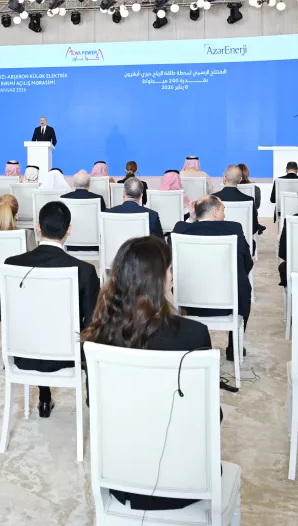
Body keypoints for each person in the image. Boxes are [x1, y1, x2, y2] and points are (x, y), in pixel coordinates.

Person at [82, 235, 213, 512]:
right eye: (170, 269)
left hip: (123, 478)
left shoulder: (100, 337)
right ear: (160, 278)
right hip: (185, 482)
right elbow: (209, 417)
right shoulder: (193, 334)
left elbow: (95, 405)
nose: (173, 276)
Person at [3, 201, 100, 418]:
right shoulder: (85, 270)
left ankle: (44, 397)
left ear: (38, 227)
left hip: (23, 354)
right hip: (67, 356)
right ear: (69, 230)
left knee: (38, 327)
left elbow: (3, 314)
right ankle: (93, 401)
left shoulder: (11, 264)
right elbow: (92, 323)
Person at [171, 195, 253, 361]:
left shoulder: (181, 229)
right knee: (243, 284)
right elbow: (247, 263)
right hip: (229, 304)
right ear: (215, 212)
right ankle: (234, 347)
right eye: (223, 210)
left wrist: (191, 218)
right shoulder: (233, 228)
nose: (224, 214)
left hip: (188, 303)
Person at [213, 164, 262, 237]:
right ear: (240, 180)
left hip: (220, 239)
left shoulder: (213, 198)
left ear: (224, 178)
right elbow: (253, 228)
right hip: (242, 240)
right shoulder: (249, 200)